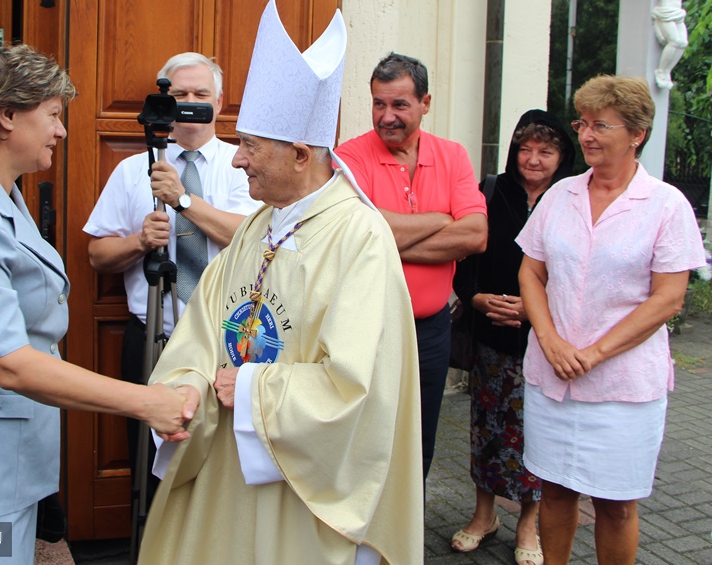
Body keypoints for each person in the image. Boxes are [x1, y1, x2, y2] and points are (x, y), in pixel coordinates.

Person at [140, 3, 423, 563]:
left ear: (298, 155)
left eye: (250, 145)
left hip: (306, 489)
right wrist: (188, 384)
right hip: (229, 461)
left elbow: (357, 386)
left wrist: (251, 390)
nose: (237, 160)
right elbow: (203, 330)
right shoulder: (258, 226)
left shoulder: (359, 236)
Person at [0, 42, 192, 563]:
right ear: (7, 116)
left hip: (1, 453)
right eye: (53, 115)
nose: (61, 130)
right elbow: (10, 363)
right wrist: (146, 402)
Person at [517, 75, 706, 564]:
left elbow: (668, 298)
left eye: (601, 125)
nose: (586, 135)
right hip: (553, 377)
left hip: (623, 387)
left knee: (616, 505)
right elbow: (530, 273)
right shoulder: (560, 195)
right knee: (554, 491)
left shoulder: (666, 205)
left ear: (637, 134)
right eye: (582, 123)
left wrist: (595, 353)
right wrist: (550, 341)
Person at [83, 51, 257, 502]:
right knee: (149, 464)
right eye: (180, 94)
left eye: (201, 94)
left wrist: (183, 201)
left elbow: (249, 237)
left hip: (225, 341)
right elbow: (98, 255)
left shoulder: (243, 166)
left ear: (220, 102)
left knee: (223, 465)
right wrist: (140, 241)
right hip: (152, 339)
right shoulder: (131, 170)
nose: (190, 103)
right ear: (164, 103)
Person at [335, 52, 488, 481]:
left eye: (399, 104)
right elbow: (356, 235)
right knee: (364, 441)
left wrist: (388, 235)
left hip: (430, 331)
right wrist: (442, 219)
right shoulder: (349, 157)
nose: (387, 116)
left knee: (419, 443)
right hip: (369, 326)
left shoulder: (452, 155)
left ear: (425, 103)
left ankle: (408, 523)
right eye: (378, 104)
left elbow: (476, 235)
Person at [451, 109, 575, 564]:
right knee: (486, 427)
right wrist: (476, 298)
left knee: (536, 434)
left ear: (562, 157)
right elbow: (464, 257)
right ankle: (484, 515)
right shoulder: (490, 192)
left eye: (546, 151)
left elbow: (579, 275)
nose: (534, 159)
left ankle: (528, 523)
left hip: (546, 340)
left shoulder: (571, 200)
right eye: (526, 149)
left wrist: (536, 309)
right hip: (491, 337)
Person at [652, 0, 688, 90]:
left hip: (678, 13)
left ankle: (667, 70)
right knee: (674, 41)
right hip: (666, 13)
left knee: (683, 43)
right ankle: (661, 71)